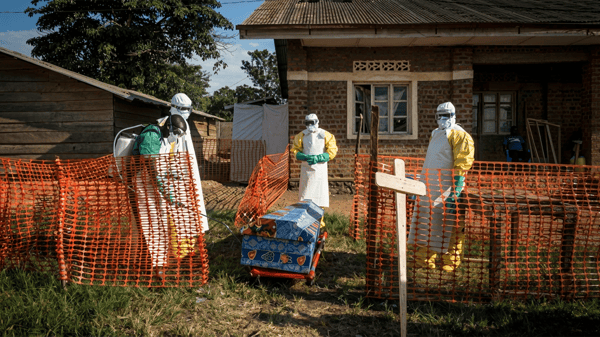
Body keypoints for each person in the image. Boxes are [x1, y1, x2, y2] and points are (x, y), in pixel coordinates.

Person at [408, 102, 475, 273]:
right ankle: (424, 259)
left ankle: (450, 260)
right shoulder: (435, 134)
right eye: (440, 115)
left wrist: (456, 189)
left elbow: (463, 162)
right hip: (429, 187)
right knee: (426, 222)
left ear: (453, 115)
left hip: (448, 187)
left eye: (446, 115)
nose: (443, 119)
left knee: (450, 224)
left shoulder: (461, 136)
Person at [133, 115, 192, 280]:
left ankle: (155, 262)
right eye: (177, 132)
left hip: (152, 184)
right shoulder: (151, 135)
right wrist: (167, 194)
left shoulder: (160, 136)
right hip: (145, 183)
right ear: (169, 126)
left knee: (159, 223)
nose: (177, 137)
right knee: (152, 224)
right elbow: (151, 170)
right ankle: (155, 267)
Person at [168, 93, 209, 234]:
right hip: (178, 174)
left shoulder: (175, 122)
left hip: (179, 172)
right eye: (187, 109)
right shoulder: (177, 124)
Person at [291, 113, 338, 228]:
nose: (310, 125)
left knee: (319, 198)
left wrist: (319, 158)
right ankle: (305, 222)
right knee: (305, 196)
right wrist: (305, 157)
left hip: (320, 171)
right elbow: (295, 151)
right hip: (306, 171)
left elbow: (332, 151)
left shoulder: (325, 135)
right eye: (308, 123)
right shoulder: (301, 136)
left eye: (312, 122)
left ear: (317, 122)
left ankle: (319, 224)